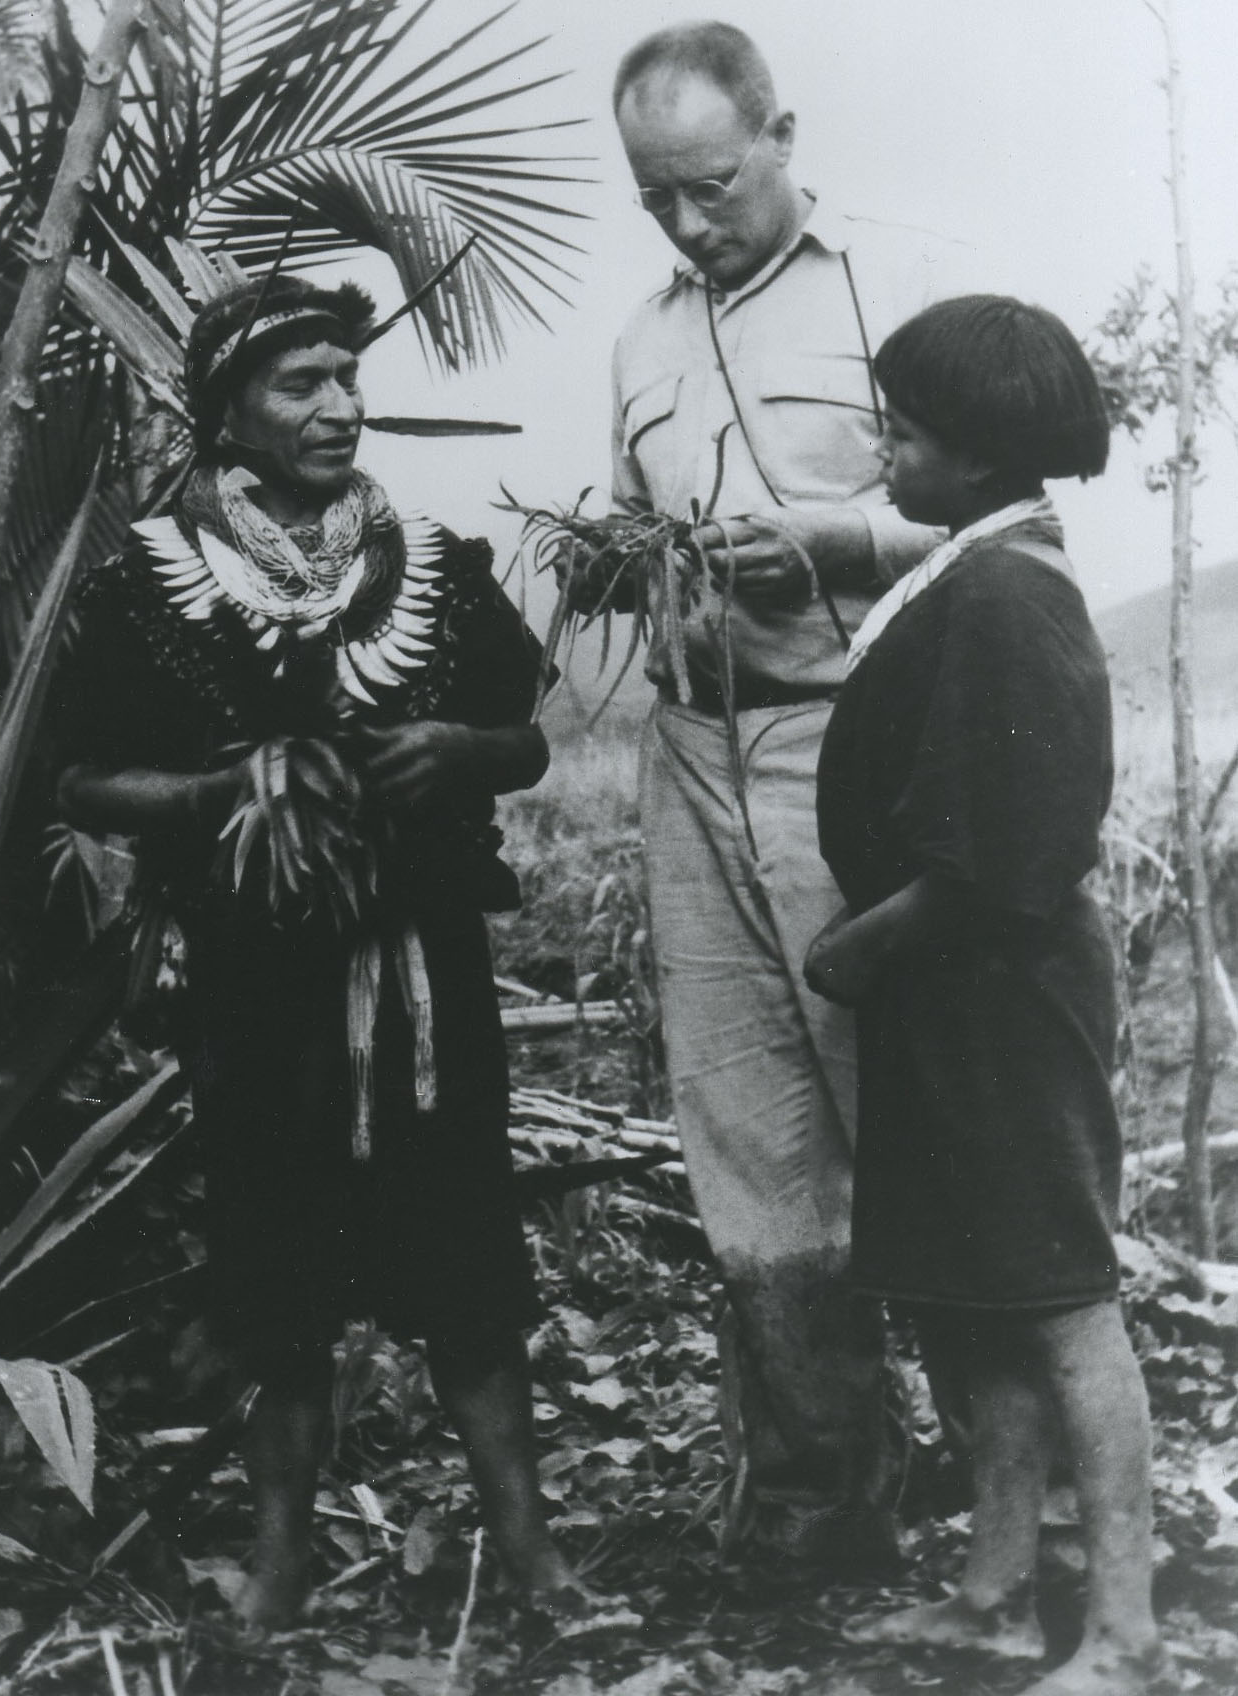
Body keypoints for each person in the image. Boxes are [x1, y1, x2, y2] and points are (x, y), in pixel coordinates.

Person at [51, 274, 581, 1632]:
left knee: (461, 1246)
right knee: (271, 1258)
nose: (340, 405)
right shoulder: (152, 589)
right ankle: (282, 1565)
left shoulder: (435, 572)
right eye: (302, 383)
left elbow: (521, 739)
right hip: (255, 987)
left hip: (423, 978)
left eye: (347, 375)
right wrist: (187, 805)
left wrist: (461, 752)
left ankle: (532, 1559)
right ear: (228, 408)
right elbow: (78, 778)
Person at [578, 20, 967, 1562]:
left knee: (904, 1111)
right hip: (691, 753)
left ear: (783, 134)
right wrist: (616, 562)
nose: (686, 224)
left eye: (712, 187)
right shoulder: (639, 340)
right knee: (741, 1139)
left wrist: (835, 535)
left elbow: (1006, 507)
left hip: (847, 747)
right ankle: (813, 1511)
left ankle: (1006, 1493)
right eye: (655, 199)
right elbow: (622, 523)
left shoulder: (898, 284)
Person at [806, 296, 1160, 1696]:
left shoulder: (1010, 594)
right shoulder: (972, 567)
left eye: (901, 430)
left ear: (973, 454)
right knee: (972, 1294)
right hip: (950, 996)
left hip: (998, 990)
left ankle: (1126, 1633)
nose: (882, 450)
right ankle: (993, 1591)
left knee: (1060, 1295)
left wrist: (861, 946)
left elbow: (1014, 844)